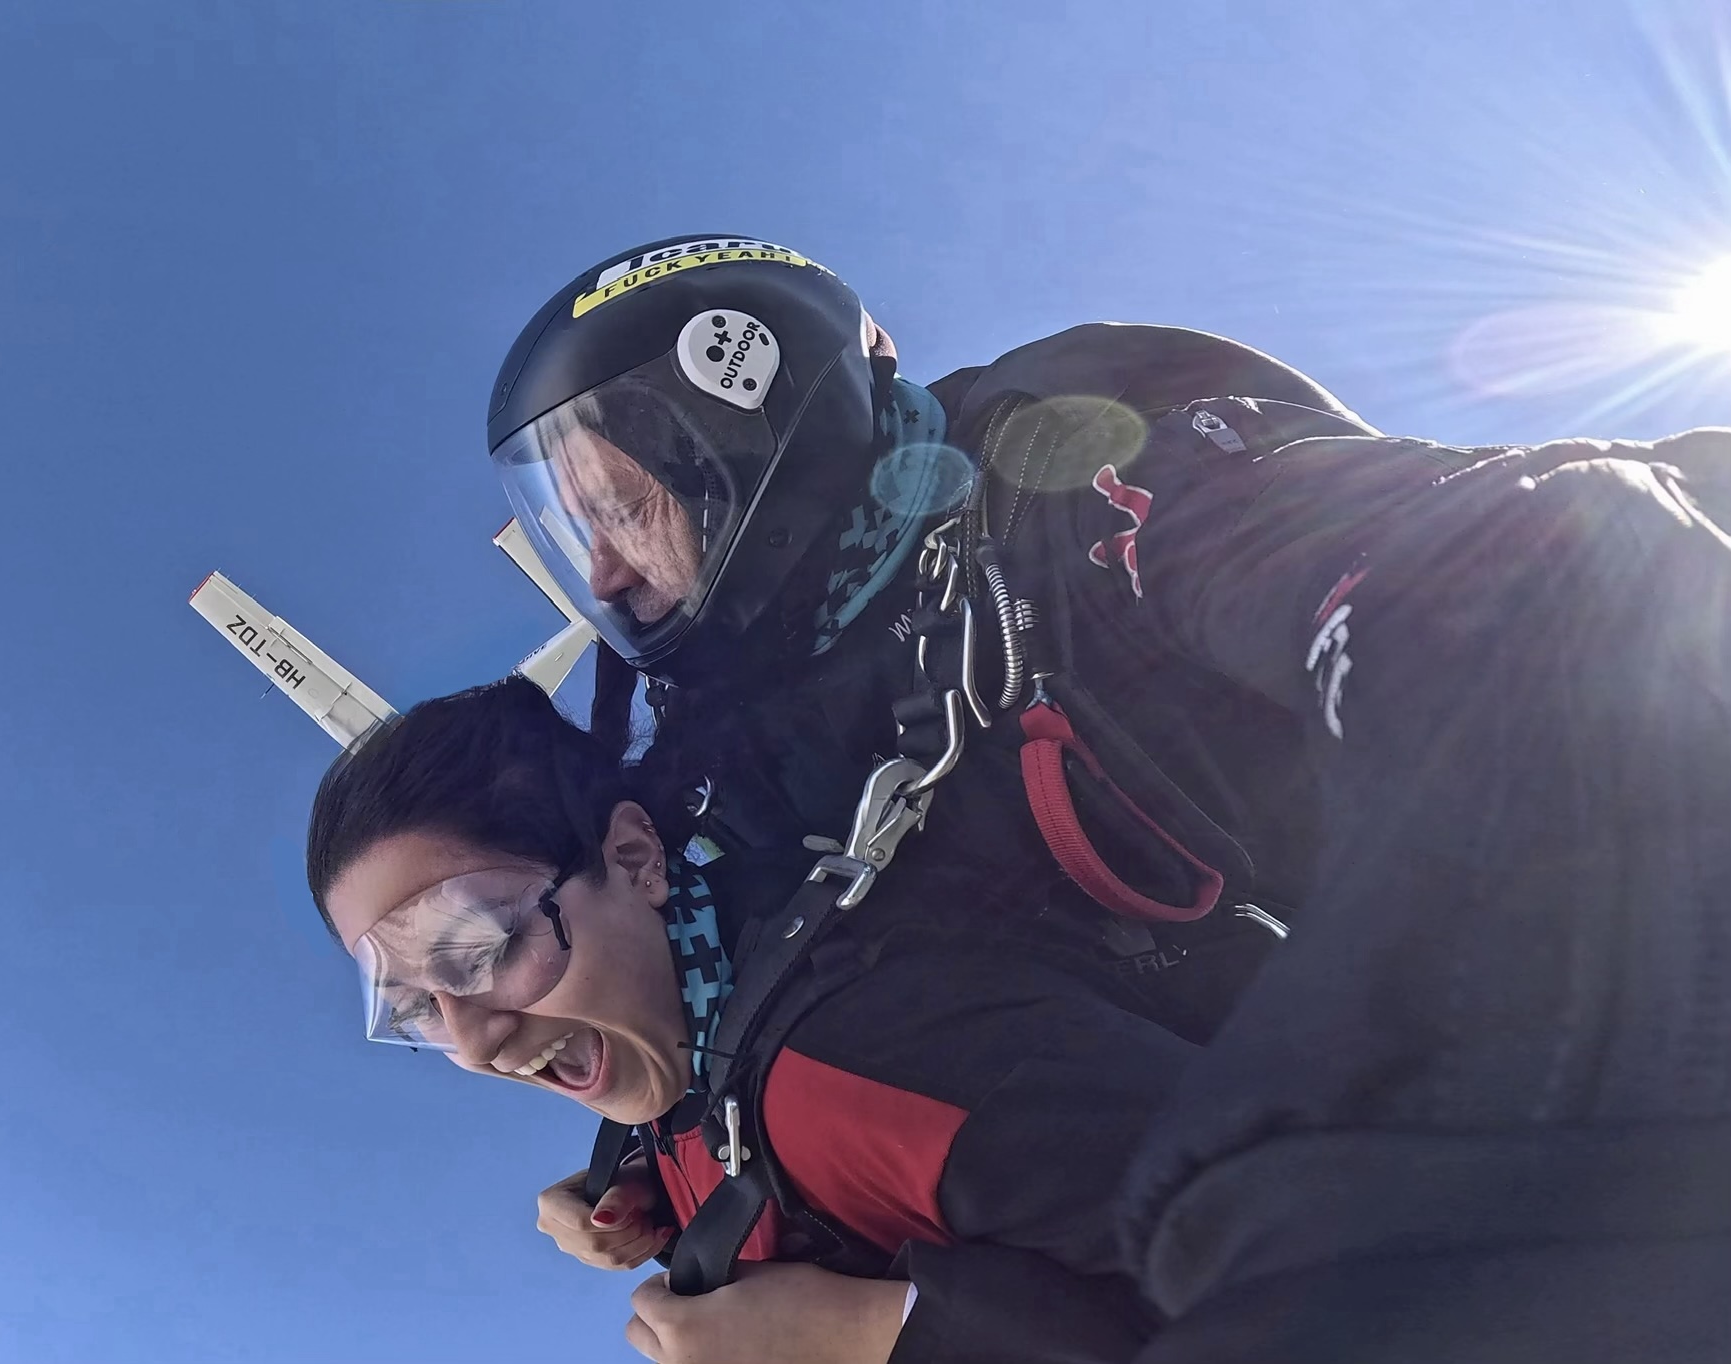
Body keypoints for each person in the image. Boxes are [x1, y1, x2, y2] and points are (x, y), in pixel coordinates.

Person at [484, 233, 1731, 1360]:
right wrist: (642, 1147)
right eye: (570, 523)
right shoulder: (747, 738)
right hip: (1154, 1161)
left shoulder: (1086, 488)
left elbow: (1461, 577)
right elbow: (729, 956)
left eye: (622, 506)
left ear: (747, 436)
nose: (597, 566)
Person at [307, 677, 1201, 1364]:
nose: (471, 1043)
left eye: (485, 950)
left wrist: (875, 1332)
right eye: (419, 1007)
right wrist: (647, 1182)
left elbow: (1326, 1271)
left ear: (633, 858)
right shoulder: (699, 1048)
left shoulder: (885, 1053)